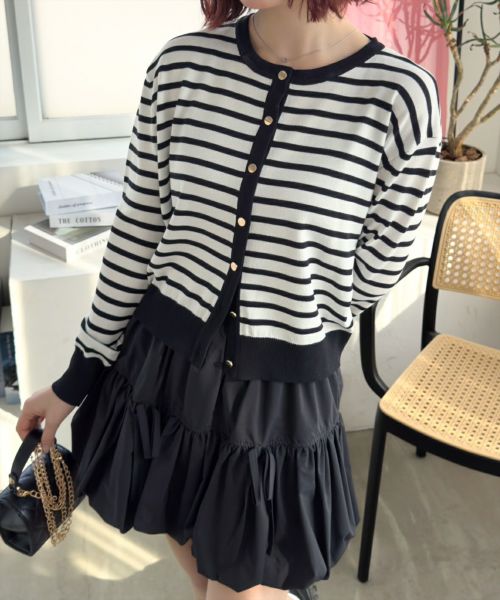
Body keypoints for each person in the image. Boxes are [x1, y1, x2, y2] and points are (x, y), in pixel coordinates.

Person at [16, 1, 442, 599]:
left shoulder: (399, 98)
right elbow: (138, 232)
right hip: (163, 369)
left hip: (279, 394)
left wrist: (294, 311)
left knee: (246, 584)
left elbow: (377, 268)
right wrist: (77, 377)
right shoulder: (182, 66)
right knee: (190, 541)